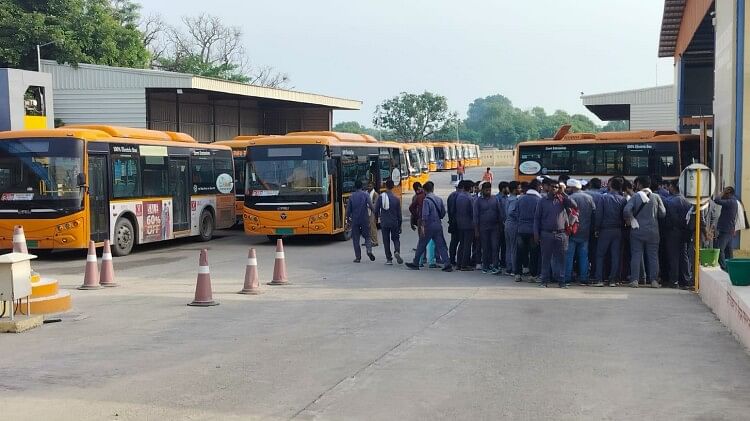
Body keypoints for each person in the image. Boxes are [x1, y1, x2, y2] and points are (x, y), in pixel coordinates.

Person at [624, 175, 666, 288]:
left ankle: (635, 280)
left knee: (636, 255)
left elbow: (627, 210)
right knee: (653, 256)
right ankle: (654, 281)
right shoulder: (656, 197)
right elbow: (663, 213)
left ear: (639, 185)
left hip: (637, 230)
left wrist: (632, 219)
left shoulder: (635, 196)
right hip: (653, 231)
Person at [534, 178, 577, 288]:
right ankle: (544, 281)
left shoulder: (562, 200)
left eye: (556, 187)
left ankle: (561, 282)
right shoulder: (542, 201)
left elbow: (574, 205)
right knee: (545, 259)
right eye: (552, 187)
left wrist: (563, 193)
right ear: (548, 188)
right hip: (546, 234)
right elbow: (537, 219)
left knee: (561, 258)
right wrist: (536, 234)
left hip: (561, 234)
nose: (554, 189)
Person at [406, 181, 453, 272]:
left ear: (424, 190)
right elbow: (443, 213)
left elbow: (425, 215)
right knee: (441, 245)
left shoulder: (426, 201)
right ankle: (447, 264)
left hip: (428, 225)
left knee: (421, 244)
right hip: (438, 225)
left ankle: (416, 262)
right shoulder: (438, 199)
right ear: (433, 189)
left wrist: (422, 227)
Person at [594, 177, 627, 287]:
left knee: (600, 255)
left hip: (605, 230)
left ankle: (599, 279)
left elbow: (599, 215)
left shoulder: (604, 198)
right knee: (615, 255)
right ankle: (613, 280)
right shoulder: (623, 199)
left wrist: (596, 228)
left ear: (611, 185)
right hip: (618, 230)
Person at [565, 179, 595, 286]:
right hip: (585, 231)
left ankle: (567, 277)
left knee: (569, 255)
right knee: (584, 256)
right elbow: (593, 213)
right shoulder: (589, 198)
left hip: (572, 232)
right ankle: (584, 277)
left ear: (572, 188)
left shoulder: (570, 198)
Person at [663, 180, 693, 288]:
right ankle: (686, 280)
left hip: (673, 231)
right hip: (685, 231)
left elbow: (668, 218)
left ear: (673, 187)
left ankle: (674, 280)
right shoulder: (688, 201)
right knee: (684, 255)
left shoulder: (669, 201)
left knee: (673, 256)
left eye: (670, 185)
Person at [474, 182, 503, 274]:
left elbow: (499, 213)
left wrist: (501, 226)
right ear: (482, 190)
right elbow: (475, 216)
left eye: (489, 190)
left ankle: (495, 266)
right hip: (483, 228)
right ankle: (485, 266)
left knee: (495, 247)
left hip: (495, 227)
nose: (488, 191)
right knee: (485, 248)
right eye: (486, 190)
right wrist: (476, 230)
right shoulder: (478, 201)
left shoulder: (495, 199)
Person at [516, 180, 541, 282]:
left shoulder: (520, 199)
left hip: (521, 229)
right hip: (533, 231)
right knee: (534, 253)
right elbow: (539, 217)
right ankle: (532, 275)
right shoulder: (539, 200)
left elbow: (516, 213)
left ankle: (518, 274)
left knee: (520, 252)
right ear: (537, 187)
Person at [346, 179, 375, 263]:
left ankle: (358, 257)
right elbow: (371, 206)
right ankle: (369, 251)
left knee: (356, 239)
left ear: (355, 187)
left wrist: (348, 221)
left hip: (355, 220)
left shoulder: (352, 196)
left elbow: (348, 211)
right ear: (362, 186)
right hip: (364, 219)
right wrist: (374, 214)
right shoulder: (365, 195)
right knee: (367, 237)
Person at [375, 179, 403, 265]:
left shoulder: (381, 197)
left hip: (384, 222)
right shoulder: (396, 199)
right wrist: (400, 225)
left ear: (385, 186)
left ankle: (389, 259)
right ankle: (397, 251)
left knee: (386, 240)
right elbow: (399, 214)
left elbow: (376, 210)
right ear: (393, 187)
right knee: (396, 239)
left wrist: (376, 220)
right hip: (394, 222)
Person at [713, 186, 740, 270]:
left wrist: (722, 193)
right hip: (729, 229)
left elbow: (716, 200)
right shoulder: (733, 202)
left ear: (728, 193)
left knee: (720, 249)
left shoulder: (730, 202)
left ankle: (724, 268)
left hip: (726, 230)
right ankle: (731, 268)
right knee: (728, 251)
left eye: (725, 193)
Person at [455, 180, 476, 270]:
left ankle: (459, 263)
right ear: (470, 188)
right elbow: (472, 212)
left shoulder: (459, 196)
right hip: (468, 224)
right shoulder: (469, 198)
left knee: (462, 244)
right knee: (467, 245)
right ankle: (464, 265)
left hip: (460, 223)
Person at [503, 181, 521, 279]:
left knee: (509, 247)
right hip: (513, 224)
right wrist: (519, 217)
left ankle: (509, 267)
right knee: (514, 248)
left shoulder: (508, 199)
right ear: (514, 190)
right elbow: (511, 212)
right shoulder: (514, 200)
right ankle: (514, 269)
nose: (520, 190)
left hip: (507, 224)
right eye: (519, 188)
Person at [447, 183, 461, 266]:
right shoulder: (460, 196)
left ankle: (452, 258)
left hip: (452, 222)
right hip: (458, 222)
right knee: (461, 242)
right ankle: (457, 259)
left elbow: (449, 210)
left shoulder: (451, 195)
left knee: (453, 242)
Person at [367, 181, 380, 247]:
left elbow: (375, 204)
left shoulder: (375, 194)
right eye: (368, 186)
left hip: (372, 212)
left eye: (370, 186)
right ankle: (369, 241)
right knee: (368, 227)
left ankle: (375, 241)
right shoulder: (366, 193)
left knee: (373, 227)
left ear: (373, 187)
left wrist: (369, 205)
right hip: (367, 211)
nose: (369, 187)